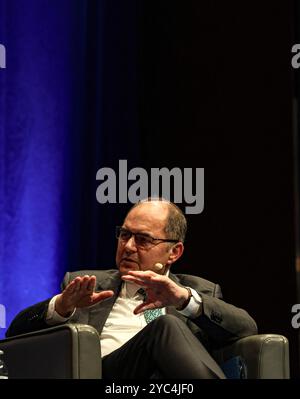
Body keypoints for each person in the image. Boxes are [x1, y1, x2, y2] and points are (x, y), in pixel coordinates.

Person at [6, 198, 257, 378]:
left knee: (168, 329)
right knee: (164, 326)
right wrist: (61, 306)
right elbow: (15, 333)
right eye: (124, 235)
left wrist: (184, 300)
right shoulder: (86, 283)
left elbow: (247, 328)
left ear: (174, 252)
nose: (127, 247)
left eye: (143, 239)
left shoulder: (196, 291)